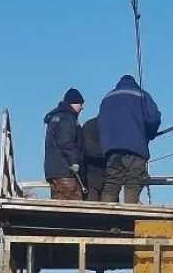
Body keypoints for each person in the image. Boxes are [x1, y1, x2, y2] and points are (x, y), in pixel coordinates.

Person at [98, 74, 161, 204]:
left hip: (111, 148)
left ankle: (104, 216)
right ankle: (129, 213)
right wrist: (150, 134)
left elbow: (100, 122)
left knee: (112, 182)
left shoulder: (107, 97)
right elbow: (153, 118)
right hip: (134, 147)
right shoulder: (141, 95)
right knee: (133, 180)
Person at [43, 88, 85, 201]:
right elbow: (66, 142)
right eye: (81, 104)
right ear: (74, 103)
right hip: (66, 172)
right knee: (73, 209)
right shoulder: (67, 117)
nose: (82, 107)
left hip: (55, 171)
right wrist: (74, 162)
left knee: (59, 207)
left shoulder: (56, 118)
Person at [81, 116, 107, 201]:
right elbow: (89, 149)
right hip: (92, 175)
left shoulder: (90, 124)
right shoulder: (91, 125)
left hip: (103, 175)